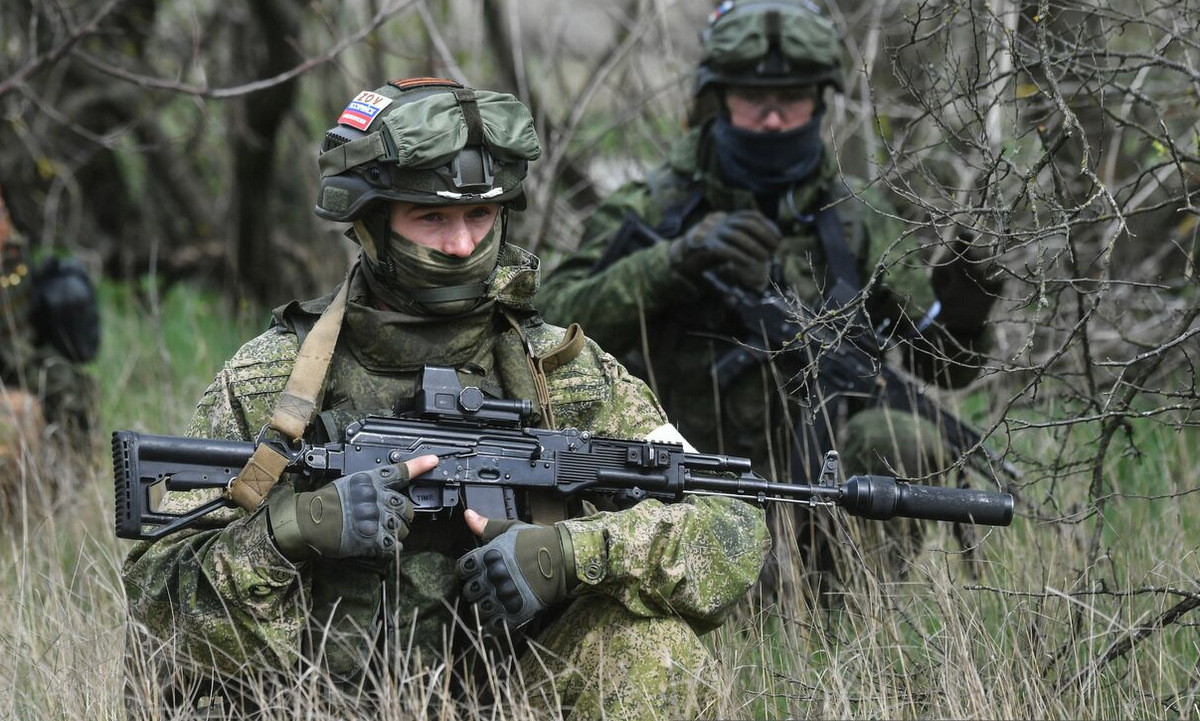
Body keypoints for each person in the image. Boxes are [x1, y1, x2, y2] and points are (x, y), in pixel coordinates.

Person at [121, 78, 770, 719]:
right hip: (307, 700)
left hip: (506, 701)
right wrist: (291, 531)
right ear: (370, 222)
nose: (461, 245)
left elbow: (730, 526)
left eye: (479, 215)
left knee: (652, 651)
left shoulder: (562, 372)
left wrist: (574, 554)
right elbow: (154, 606)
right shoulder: (272, 381)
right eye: (431, 217)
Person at [535, 1, 1002, 596]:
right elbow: (548, 329)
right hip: (674, 473)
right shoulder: (652, 209)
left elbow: (934, 366)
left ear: (822, 99)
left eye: (795, 98)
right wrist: (670, 264)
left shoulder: (853, 219)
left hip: (821, 485)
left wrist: (964, 318)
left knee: (904, 437)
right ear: (718, 99)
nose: (777, 119)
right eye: (756, 99)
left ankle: (847, 620)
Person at [0, 183, 98, 481]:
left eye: (3, 212)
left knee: (66, 380)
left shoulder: (14, 254)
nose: (4, 223)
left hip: (18, 361)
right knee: (21, 413)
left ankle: (73, 480)